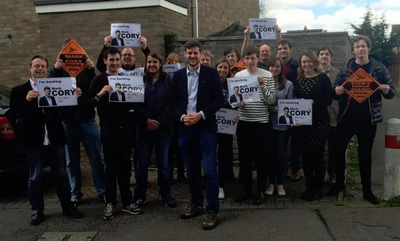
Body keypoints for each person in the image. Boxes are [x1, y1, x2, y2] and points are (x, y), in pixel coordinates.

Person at [10, 55, 83, 225]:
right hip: (34, 141)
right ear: (30, 68)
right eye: (36, 66)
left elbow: (66, 107)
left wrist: (74, 96)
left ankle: (68, 207)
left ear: (46, 68)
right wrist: (27, 101)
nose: (40, 69)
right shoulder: (19, 91)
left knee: (62, 175)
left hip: (55, 139)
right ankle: (37, 210)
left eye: (43, 66)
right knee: (35, 177)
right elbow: (15, 115)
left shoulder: (55, 86)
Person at [326, 35, 396, 205]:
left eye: (363, 46)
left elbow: (392, 92)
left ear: (368, 49)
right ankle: (339, 185)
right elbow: (332, 94)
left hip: (368, 120)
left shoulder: (379, 69)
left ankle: (367, 191)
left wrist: (386, 90)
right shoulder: (345, 71)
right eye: (357, 46)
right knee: (338, 152)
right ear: (353, 50)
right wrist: (337, 91)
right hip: (347, 118)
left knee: (365, 155)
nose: (360, 49)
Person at [170, 41, 224, 230]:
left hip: (205, 127)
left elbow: (219, 100)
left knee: (210, 170)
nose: (193, 56)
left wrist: (200, 115)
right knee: (191, 170)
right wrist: (183, 116)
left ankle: (212, 210)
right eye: (189, 53)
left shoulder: (210, 73)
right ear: (185, 54)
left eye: (195, 53)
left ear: (201, 54)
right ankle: (196, 203)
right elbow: (173, 102)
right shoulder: (176, 76)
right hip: (185, 129)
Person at [48, 40, 105, 206]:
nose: (72, 57)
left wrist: (92, 70)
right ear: (62, 53)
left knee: (96, 158)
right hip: (67, 120)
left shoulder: (86, 69)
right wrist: (56, 70)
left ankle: (102, 191)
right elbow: (49, 89)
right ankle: (75, 193)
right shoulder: (55, 69)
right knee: (71, 161)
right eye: (68, 54)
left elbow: (95, 89)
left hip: (87, 119)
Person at [89, 47, 142, 220]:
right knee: (110, 169)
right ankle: (110, 202)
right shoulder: (98, 80)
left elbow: (135, 104)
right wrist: (101, 94)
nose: (114, 63)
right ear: (105, 61)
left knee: (125, 168)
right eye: (111, 60)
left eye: (117, 60)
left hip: (126, 130)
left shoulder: (127, 79)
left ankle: (127, 202)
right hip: (108, 130)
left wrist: (139, 91)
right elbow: (89, 104)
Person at [233, 46, 276, 205]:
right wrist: (238, 102)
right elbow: (235, 99)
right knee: (244, 158)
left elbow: (271, 101)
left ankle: (260, 191)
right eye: (247, 58)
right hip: (244, 122)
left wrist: (263, 85)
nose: (250, 61)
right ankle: (246, 189)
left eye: (253, 58)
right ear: (244, 60)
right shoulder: (238, 75)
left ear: (258, 59)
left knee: (262, 159)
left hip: (261, 123)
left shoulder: (267, 75)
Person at [134, 53, 177, 208]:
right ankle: (140, 196)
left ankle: (165, 194)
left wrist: (158, 121)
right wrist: (147, 120)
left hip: (163, 129)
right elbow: (135, 103)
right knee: (142, 164)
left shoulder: (169, 80)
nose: (151, 64)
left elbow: (172, 103)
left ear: (160, 64)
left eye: (154, 62)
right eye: (149, 62)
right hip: (143, 128)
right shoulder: (139, 80)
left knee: (164, 164)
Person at [294, 51, 332, 202]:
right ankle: (309, 186)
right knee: (306, 157)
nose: (306, 64)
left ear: (314, 62)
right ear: (300, 64)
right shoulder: (299, 79)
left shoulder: (323, 79)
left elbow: (328, 99)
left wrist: (313, 102)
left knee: (317, 157)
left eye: (309, 61)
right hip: (302, 124)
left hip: (318, 122)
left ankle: (318, 188)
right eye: (304, 62)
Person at [266, 57, 294, 196]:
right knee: (270, 156)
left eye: (277, 66)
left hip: (282, 127)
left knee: (281, 157)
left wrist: (277, 109)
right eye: (271, 66)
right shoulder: (264, 83)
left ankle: (281, 185)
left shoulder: (288, 84)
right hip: (267, 125)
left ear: (281, 68)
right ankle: (271, 184)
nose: (274, 69)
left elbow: (291, 105)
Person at [277, 37, 302, 181]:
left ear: (290, 50)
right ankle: (282, 170)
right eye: (280, 48)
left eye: (285, 48)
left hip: (295, 105)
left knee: (296, 141)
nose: (282, 51)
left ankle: (295, 169)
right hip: (280, 107)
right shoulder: (276, 65)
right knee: (282, 140)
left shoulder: (296, 66)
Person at [317, 47, 340, 184]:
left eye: (327, 54)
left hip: (332, 114)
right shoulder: (314, 73)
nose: (324, 56)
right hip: (318, 114)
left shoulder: (338, 73)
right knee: (318, 147)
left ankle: (332, 173)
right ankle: (319, 173)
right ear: (318, 57)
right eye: (321, 54)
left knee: (333, 147)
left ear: (331, 57)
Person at [215, 58, 235, 200]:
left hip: (227, 123)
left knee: (225, 154)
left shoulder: (232, 85)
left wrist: (238, 110)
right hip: (211, 123)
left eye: (225, 68)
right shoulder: (210, 83)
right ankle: (212, 181)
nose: (222, 70)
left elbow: (236, 103)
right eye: (220, 67)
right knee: (210, 154)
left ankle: (222, 184)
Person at [165, 53, 187, 184]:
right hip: (167, 117)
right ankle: (169, 174)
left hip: (179, 116)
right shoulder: (163, 78)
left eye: (176, 61)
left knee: (179, 148)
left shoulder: (183, 78)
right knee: (169, 148)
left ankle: (180, 172)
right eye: (170, 61)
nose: (173, 63)